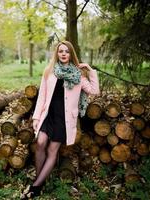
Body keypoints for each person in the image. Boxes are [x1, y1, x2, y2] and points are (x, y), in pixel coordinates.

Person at [21, 41, 100, 199]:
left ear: (71, 54)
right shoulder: (49, 71)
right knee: (41, 143)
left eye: (67, 51)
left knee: (52, 150)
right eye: (61, 51)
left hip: (64, 119)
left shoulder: (78, 74)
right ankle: (40, 180)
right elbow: (42, 96)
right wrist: (36, 117)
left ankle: (36, 187)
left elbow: (94, 91)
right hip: (48, 115)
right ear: (57, 54)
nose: (63, 54)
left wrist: (90, 70)